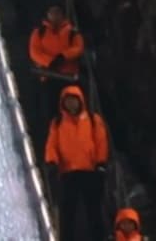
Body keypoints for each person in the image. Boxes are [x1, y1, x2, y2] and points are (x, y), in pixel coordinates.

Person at [45, 85, 109, 241]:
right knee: (68, 213)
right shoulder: (58, 122)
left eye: (74, 100)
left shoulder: (93, 120)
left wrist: (101, 163)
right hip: (68, 173)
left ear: (80, 101)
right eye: (67, 101)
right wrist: (52, 161)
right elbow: (52, 144)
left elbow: (101, 141)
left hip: (89, 171)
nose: (71, 104)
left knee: (94, 211)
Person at [29, 4, 84, 137]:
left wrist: (63, 56)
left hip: (68, 78)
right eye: (52, 12)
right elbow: (34, 51)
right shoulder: (39, 32)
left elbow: (78, 47)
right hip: (48, 77)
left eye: (57, 12)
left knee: (71, 111)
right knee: (50, 111)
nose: (54, 16)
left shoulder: (72, 32)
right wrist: (50, 61)